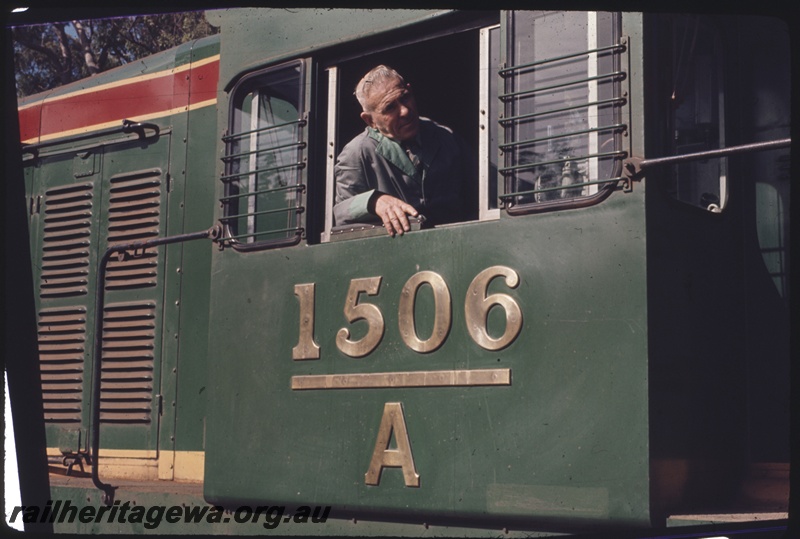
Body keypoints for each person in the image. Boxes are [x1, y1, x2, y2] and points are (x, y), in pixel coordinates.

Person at [333, 65, 471, 236]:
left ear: (410, 90)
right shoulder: (356, 153)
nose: (405, 111)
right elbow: (341, 217)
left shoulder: (446, 137)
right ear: (370, 121)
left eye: (405, 98)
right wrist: (373, 201)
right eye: (390, 107)